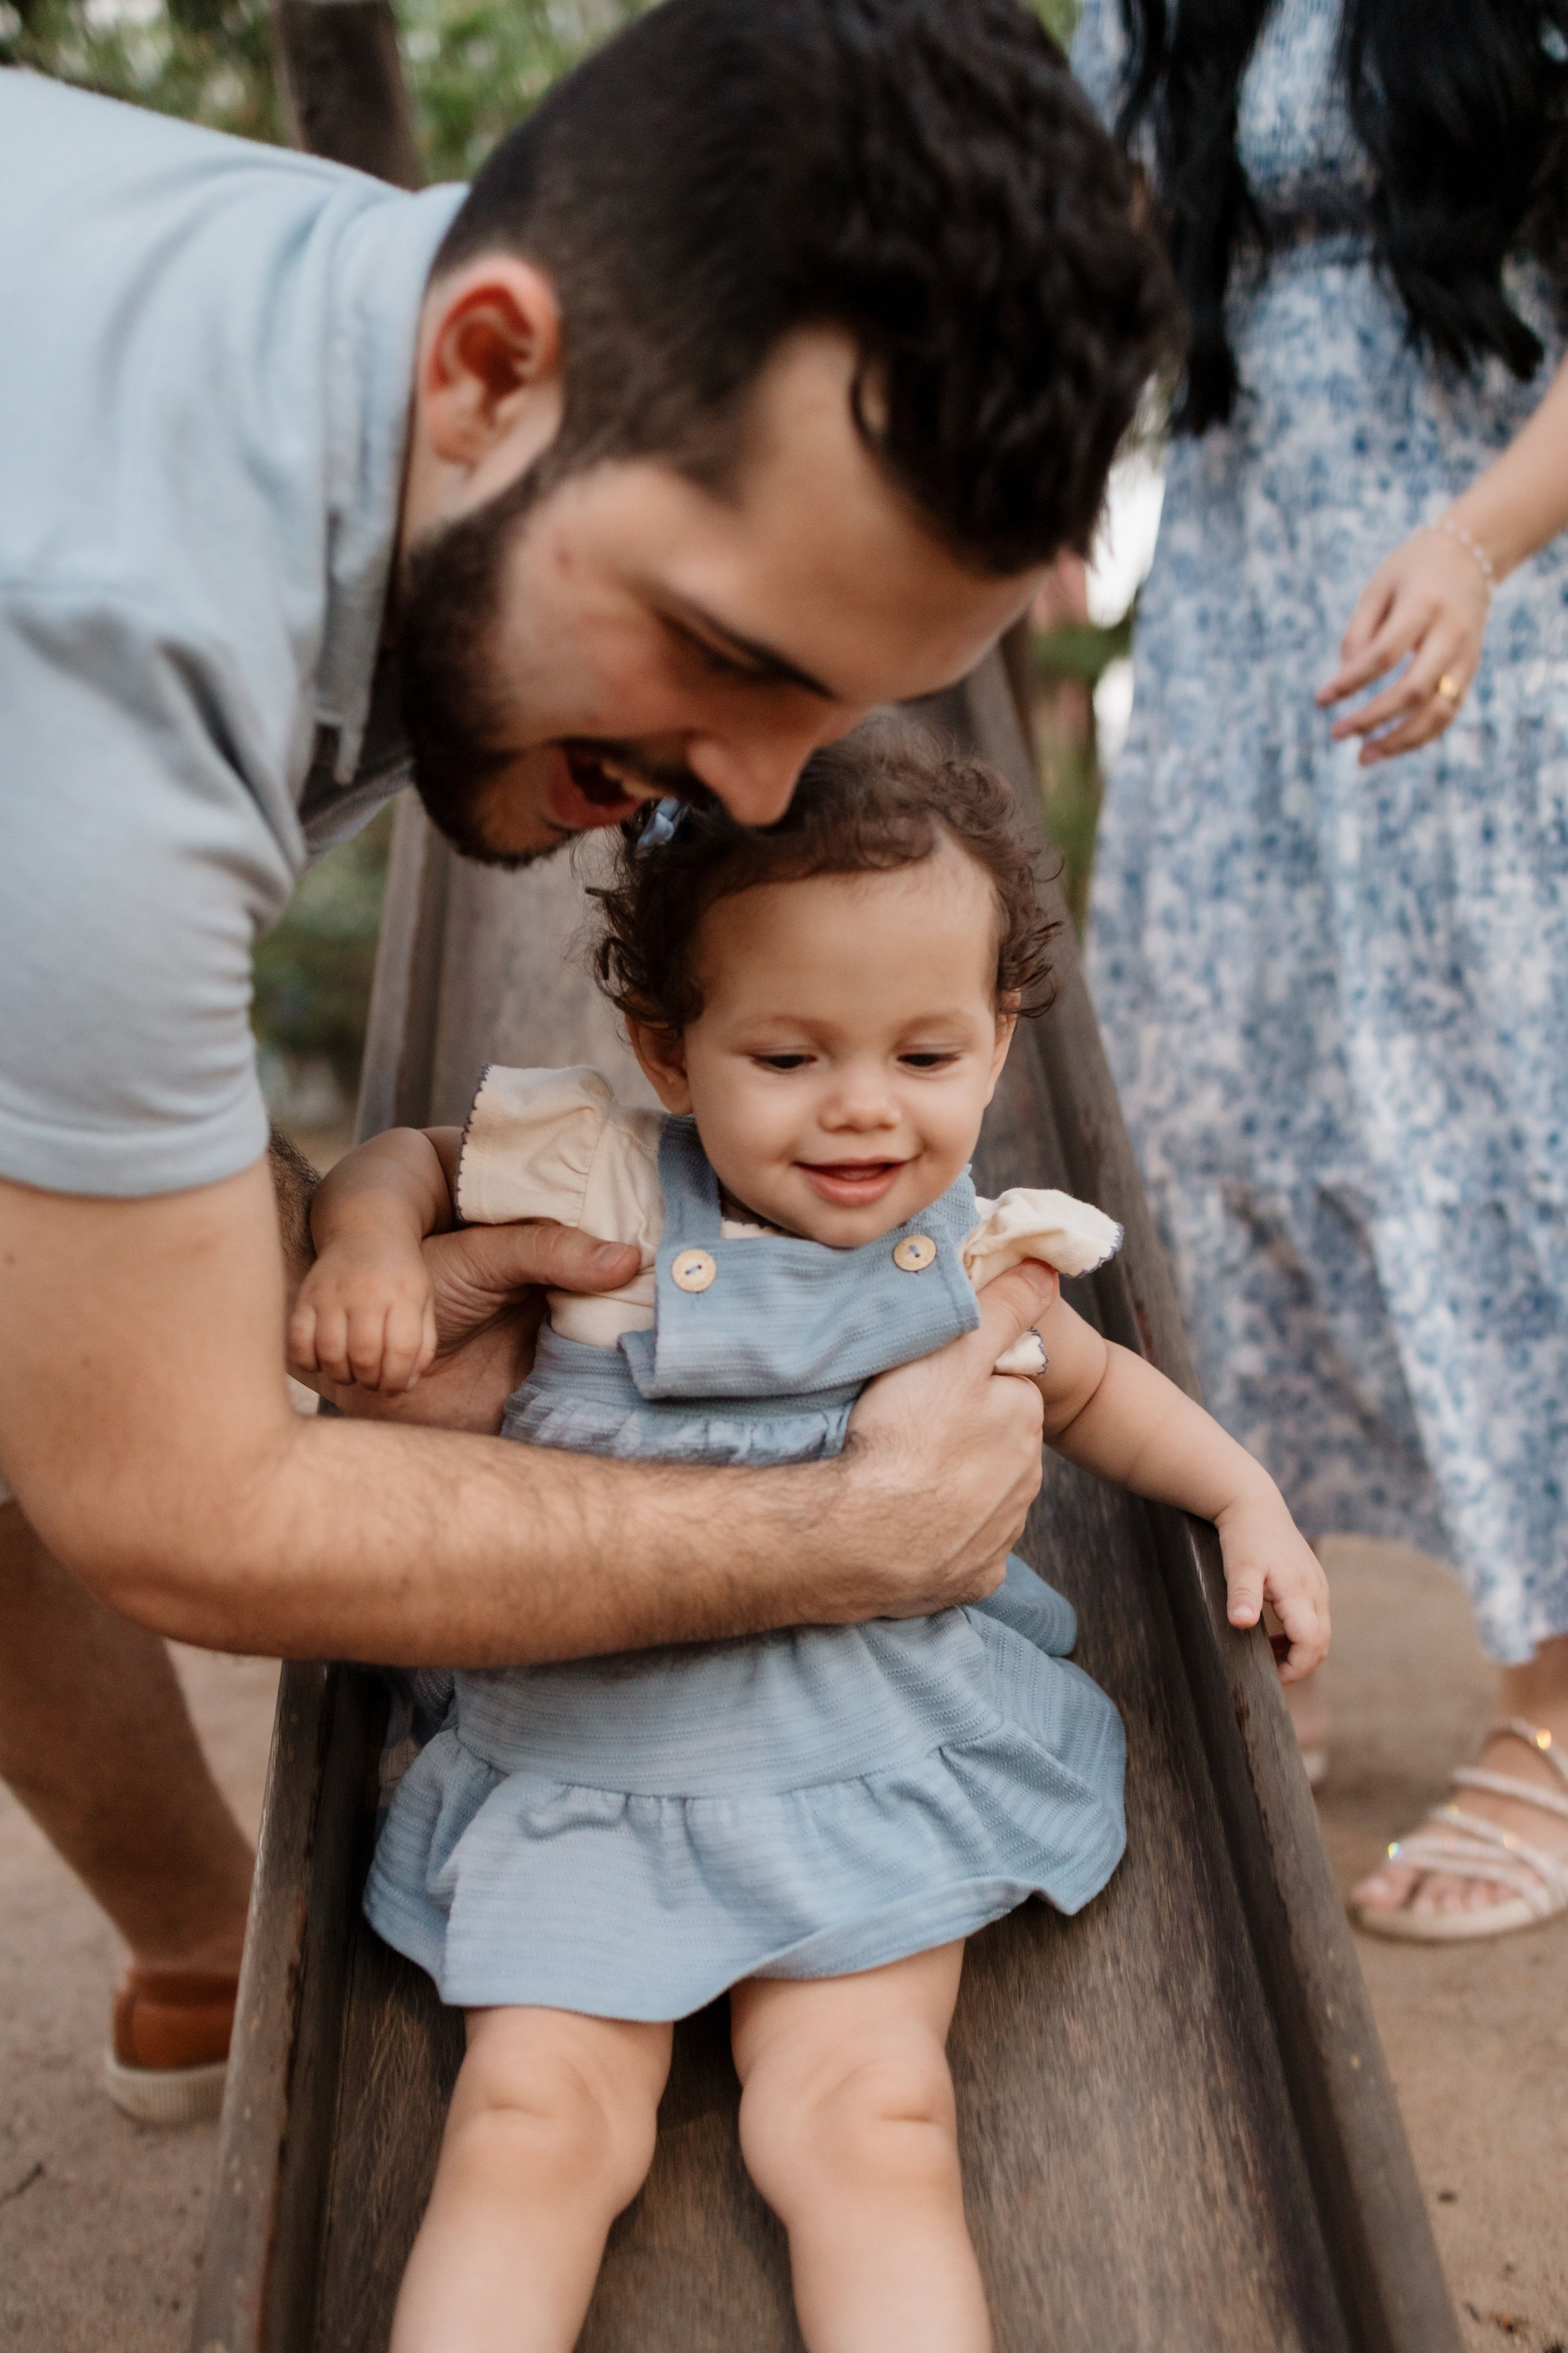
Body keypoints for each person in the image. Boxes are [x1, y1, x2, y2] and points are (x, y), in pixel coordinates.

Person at [0, 1, 1182, 2113]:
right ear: (489, 368)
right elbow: (176, 1498)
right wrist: (847, 1535)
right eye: (728, 657)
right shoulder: (101, 649)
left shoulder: (393, 372)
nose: (737, 796)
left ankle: (194, 1950)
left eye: (829, 714)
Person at [288, 728, 1330, 2353]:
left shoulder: (976, 1249)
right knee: (526, 2126)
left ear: (997, 1042)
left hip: (864, 1753)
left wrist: (1243, 1496)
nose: (863, 1108)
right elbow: (403, 1161)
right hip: (585, 1765)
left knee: (871, 2125)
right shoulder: (603, 1185)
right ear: (667, 1046)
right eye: (788, 1058)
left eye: (927, 1055)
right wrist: (361, 1248)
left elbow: (1105, 1390)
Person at [1072, 0, 1568, 1939]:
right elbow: (1102, 261)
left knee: (1513, 1107)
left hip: (1501, 584)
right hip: (1237, 602)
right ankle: (1266, 1622)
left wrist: (1471, 546)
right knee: (1197, 1103)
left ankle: (1560, 1708)